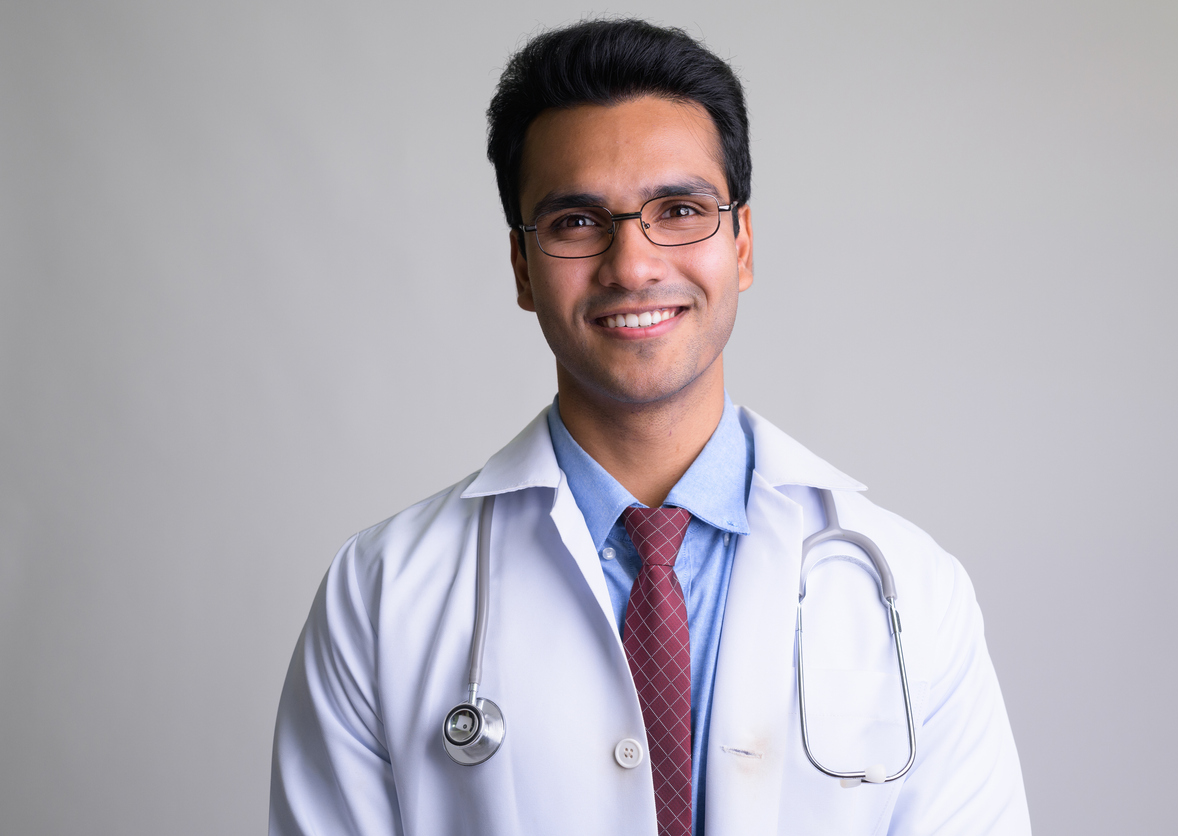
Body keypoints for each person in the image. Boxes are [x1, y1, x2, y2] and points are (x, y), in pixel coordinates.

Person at [269, 18, 1030, 836]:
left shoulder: (915, 590)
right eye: (576, 221)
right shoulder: (380, 595)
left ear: (742, 244)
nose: (632, 266)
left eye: (680, 209)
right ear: (522, 267)